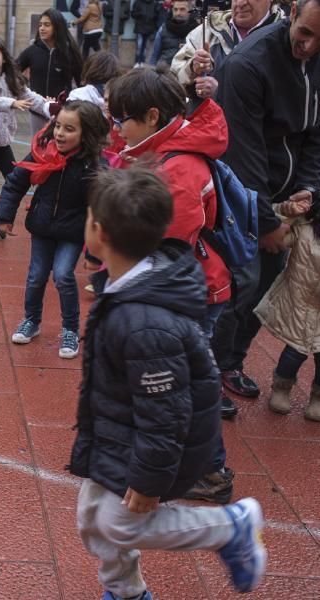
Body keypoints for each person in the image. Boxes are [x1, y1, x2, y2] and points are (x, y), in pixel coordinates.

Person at [69, 165, 267, 600]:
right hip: (118, 433)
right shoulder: (129, 289)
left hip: (148, 445)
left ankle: (230, 528)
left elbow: (166, 412)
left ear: (98, 232)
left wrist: (148, 481)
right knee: (92, 517)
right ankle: (126, 590)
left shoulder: (143, 322)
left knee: (117, 521)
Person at [108, 66, 238, 505]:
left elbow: (170, 244)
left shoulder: (178, 166)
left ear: (149, 116)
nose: (117, 128)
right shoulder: (167, 148)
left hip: (191, 292)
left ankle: (211, 471)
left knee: (181, 389)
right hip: (185, 288)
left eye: (121, 118)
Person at [211, 0, 320, 411]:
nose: (308, 47)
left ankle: (230, 363)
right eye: (305, 33)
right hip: (240, 190)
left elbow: (315, 135)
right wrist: (266, 221)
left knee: (268, 284)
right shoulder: (247, 63)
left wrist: (309, 189)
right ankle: (207, 371)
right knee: (241, 280)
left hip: (287, 194)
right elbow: (242, 155)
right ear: (291, 14)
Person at [0, 101, 108, 358]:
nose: (59, 133)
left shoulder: (93, 165)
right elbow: (16, 181)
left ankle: (70, 329)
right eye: (57, 126)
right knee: (36, 276)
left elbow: (101, 209)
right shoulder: (43, 151)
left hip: (73, 232)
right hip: (43, 226)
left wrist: (94, 253)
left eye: (69, 129)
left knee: (64, 275)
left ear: (86, 133)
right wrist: (4, 216)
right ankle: (31, 320)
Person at [0, 37, 49, 247]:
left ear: (4, 57)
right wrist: (11, 102)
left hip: (2, 141)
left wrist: (52, 108)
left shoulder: (11, 79)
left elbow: (31, 97)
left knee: (14, 177)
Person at [255, 194, 320, 421]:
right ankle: (282, 387)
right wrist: (287, 211)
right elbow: (279, 235)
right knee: (295, 351)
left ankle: (317, 398)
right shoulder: (305, 229)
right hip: (301, 303)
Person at [170, 0, 286, 96]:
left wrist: (220, 93)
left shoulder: (286, 36)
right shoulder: (206, 31)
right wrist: (192, 69)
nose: (240, 3)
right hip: (210, 122)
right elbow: (173, 82)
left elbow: (288, 102)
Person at [17, 8, 83, 135]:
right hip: (36, 111)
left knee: (57, 150)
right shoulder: (32, 51)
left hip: (62, 112)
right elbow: (12, 71)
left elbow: (82, 83)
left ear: (57, 27)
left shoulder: (70, 52)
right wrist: (23, 90)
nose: (42, 28)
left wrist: (71, 102)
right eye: (40, 25)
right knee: (37, 149)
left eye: (47, 25)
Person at [149, 0, 198, 66]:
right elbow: (154, 56)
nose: (178, 13)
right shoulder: (163, 29)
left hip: (188, 72)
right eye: (175, 9)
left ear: (190, 11)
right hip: (165, 72)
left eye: (182, 9)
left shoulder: (197, 30)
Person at [131, 0, 160, 67]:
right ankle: (137, 62)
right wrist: (140, 14)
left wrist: (153, 16)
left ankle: (143, 63)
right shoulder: (138, 2)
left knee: (147, 47)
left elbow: (157, 15)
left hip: (150, 28)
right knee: (139, 46)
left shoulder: (154, 3)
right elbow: (133, 14)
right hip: (140, 27)